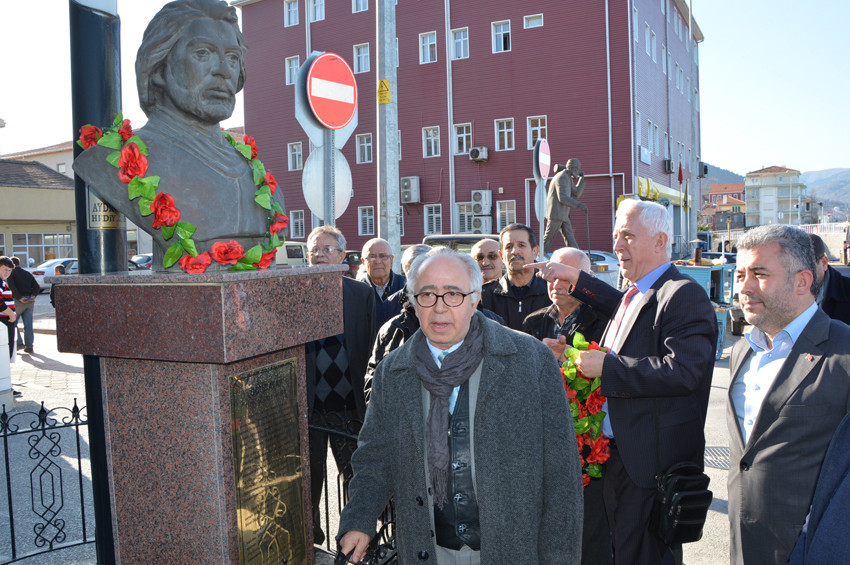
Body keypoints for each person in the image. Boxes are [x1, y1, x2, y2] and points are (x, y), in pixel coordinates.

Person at [338, 248, 582, 564]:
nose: (439, 308)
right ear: (412, 300)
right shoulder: (393, 372)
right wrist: (358, 520)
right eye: (427, 294)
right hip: (430, 551)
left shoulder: (530, 361)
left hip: (512, 551)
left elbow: (561, 477)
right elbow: (374, 457)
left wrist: (559, 558)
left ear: (475, 297)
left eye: (453, 294)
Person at [529, 198, 718, 565]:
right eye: (616, 236)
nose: (617, 247)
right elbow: (623, 308)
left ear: (660, 242)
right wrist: (577, 288)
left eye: (628, 237)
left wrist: (609, 368)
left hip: (651, 466)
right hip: (621, 458)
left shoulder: (682, 295)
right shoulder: (639, 292)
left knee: (643, 556)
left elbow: (685, 371)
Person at [73, 0, 285, 269]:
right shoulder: (112, 159)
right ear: (159, 67)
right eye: (203, 53)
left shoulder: (258, 178)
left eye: (232, 57)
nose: (224, 70)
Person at [727, 224, 850, 564]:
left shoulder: (844, 352)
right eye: (739, 275)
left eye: (759, 274)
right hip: (745, 546)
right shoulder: (742, 352)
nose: (744, 287)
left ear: (802, 282)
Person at [522, 246, 613, 565]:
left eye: (566, 276)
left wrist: (569, 358)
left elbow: (610, 371)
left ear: (585, 280)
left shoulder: (605, 320)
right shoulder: (533, 322)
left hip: (592, 446)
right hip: (544, 443)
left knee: (590, 532)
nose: (557, 284)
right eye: (552, 276)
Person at [303, 226, 376, 545]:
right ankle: (310, 534)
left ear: (344, 257)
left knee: (354, 477)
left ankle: (353, 535)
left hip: (351, 406)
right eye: (314, 249)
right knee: (308, 479)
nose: (319, 254)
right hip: (309, 408)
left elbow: (373, 346)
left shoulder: (361, 294)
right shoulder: (294, 291)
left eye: (326, 249)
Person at [479, 224, 550, 331]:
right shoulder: (485, 295)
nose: (514, 251)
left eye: (521, 245)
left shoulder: (550, 292)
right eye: (509, 247)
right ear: (501, 255)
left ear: (535, 251)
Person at [357, 238, 406, 328]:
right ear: (363, 262)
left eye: (383, 256)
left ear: (391, 260)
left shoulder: (406, 287)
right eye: (372, 256)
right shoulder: (356, 291)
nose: (378, 261)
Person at [543, 159, 587, 254]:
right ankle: (538, 258)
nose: (579, 171)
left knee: (570, 238)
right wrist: (579, 205)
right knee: (548, 239)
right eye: (578, 169)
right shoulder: (562, 177)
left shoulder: (567, 177)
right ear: (574, 169)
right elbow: (562, 197)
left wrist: (581, 179)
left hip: (564, 214)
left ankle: (579, 257)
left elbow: (576, 193)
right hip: (556, 213)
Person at [810, 233, 850, 324]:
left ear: (824, 263)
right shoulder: (786, 292)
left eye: (806, 267)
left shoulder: (846, 292)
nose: (800, 276)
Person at [7, 257, 40, 354]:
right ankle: (29, 346)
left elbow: (11, 288)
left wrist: (19, 298)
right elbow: (37, 287)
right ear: (18, 263)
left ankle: (19, 343)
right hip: (29, 301)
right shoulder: (27, 273)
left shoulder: (11, 274)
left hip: (17, 301)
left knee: (13, 323)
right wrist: (33, 296)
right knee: (28, 325)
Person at [0, 257, 18, 361]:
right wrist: (11, 313)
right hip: (4, 321)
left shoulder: (2, 282)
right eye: (5, 269)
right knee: (4, 353)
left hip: (5, 321)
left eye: (9, 270)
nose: (7, 272)